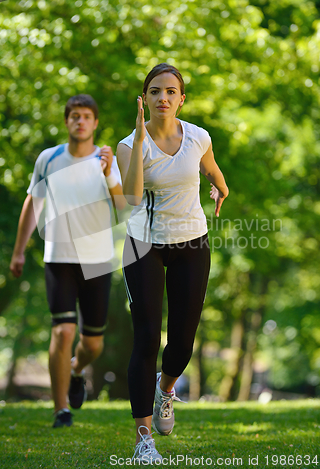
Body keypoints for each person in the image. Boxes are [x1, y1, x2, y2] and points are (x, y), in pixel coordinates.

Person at [117, 63, 229, 462]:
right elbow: (130, 197)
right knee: (147, 337)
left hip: (191, 242)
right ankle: (142, 439)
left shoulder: (198, 136)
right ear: (144, 99)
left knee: (182, 340)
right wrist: (141, 131)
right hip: (144, 244)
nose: (162, 98)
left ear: (181, 99)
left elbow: (211, 169)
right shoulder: (130, 144)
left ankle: (166, 390)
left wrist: (220, 186)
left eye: (169, 92)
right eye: (154, 92)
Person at [10, 94, 125, 428]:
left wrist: (107, 174)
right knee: (62, 331)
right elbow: (33, 205)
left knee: (93, 344)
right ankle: (61, 409)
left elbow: (123, 208)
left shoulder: (107, 159)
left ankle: (77, 369)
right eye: (75, 115)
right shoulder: (49, 158)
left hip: (97, 261)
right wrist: (18, 251)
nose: (80, 121)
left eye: (87, 116)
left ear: (95, 122)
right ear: (67, 121)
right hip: (58, 258)